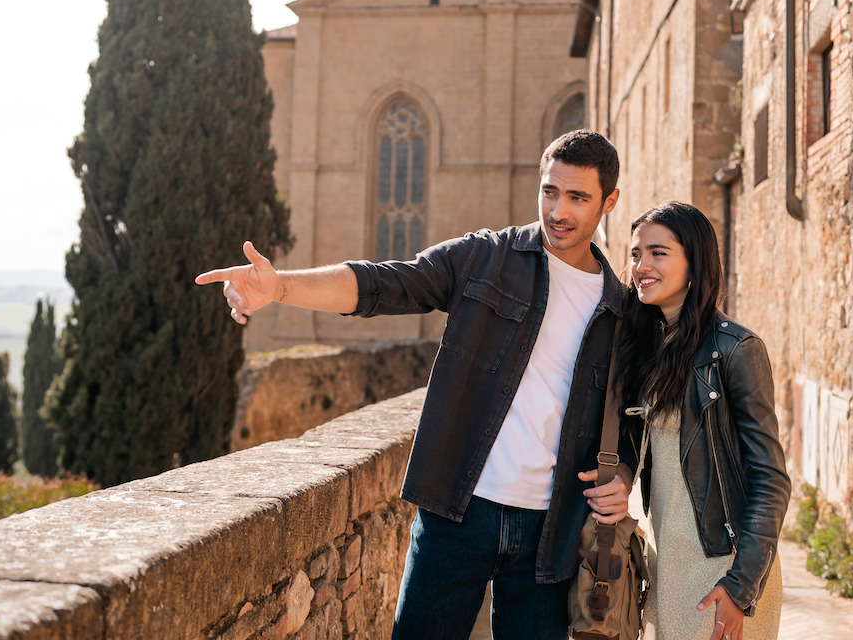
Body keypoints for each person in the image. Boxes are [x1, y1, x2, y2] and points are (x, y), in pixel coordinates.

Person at [196, 130, 636, 640]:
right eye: (549, 191)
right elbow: (384, 282)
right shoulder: (485, 258)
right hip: (458, 512)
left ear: (610, 201)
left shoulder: (622, 312)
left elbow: (629, 420)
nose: (557, 210)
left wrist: (623, 472)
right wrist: (282, 287)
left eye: (577, 197)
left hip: (551, 533)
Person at [618, 201, 791, 640]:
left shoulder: (737, 349)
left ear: (694, 261)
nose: (642, 265)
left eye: (659, 252)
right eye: (636, 253)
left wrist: (741, 585)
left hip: (723, 568)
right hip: (666, 564)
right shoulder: (649, 350)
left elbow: (770, 479)